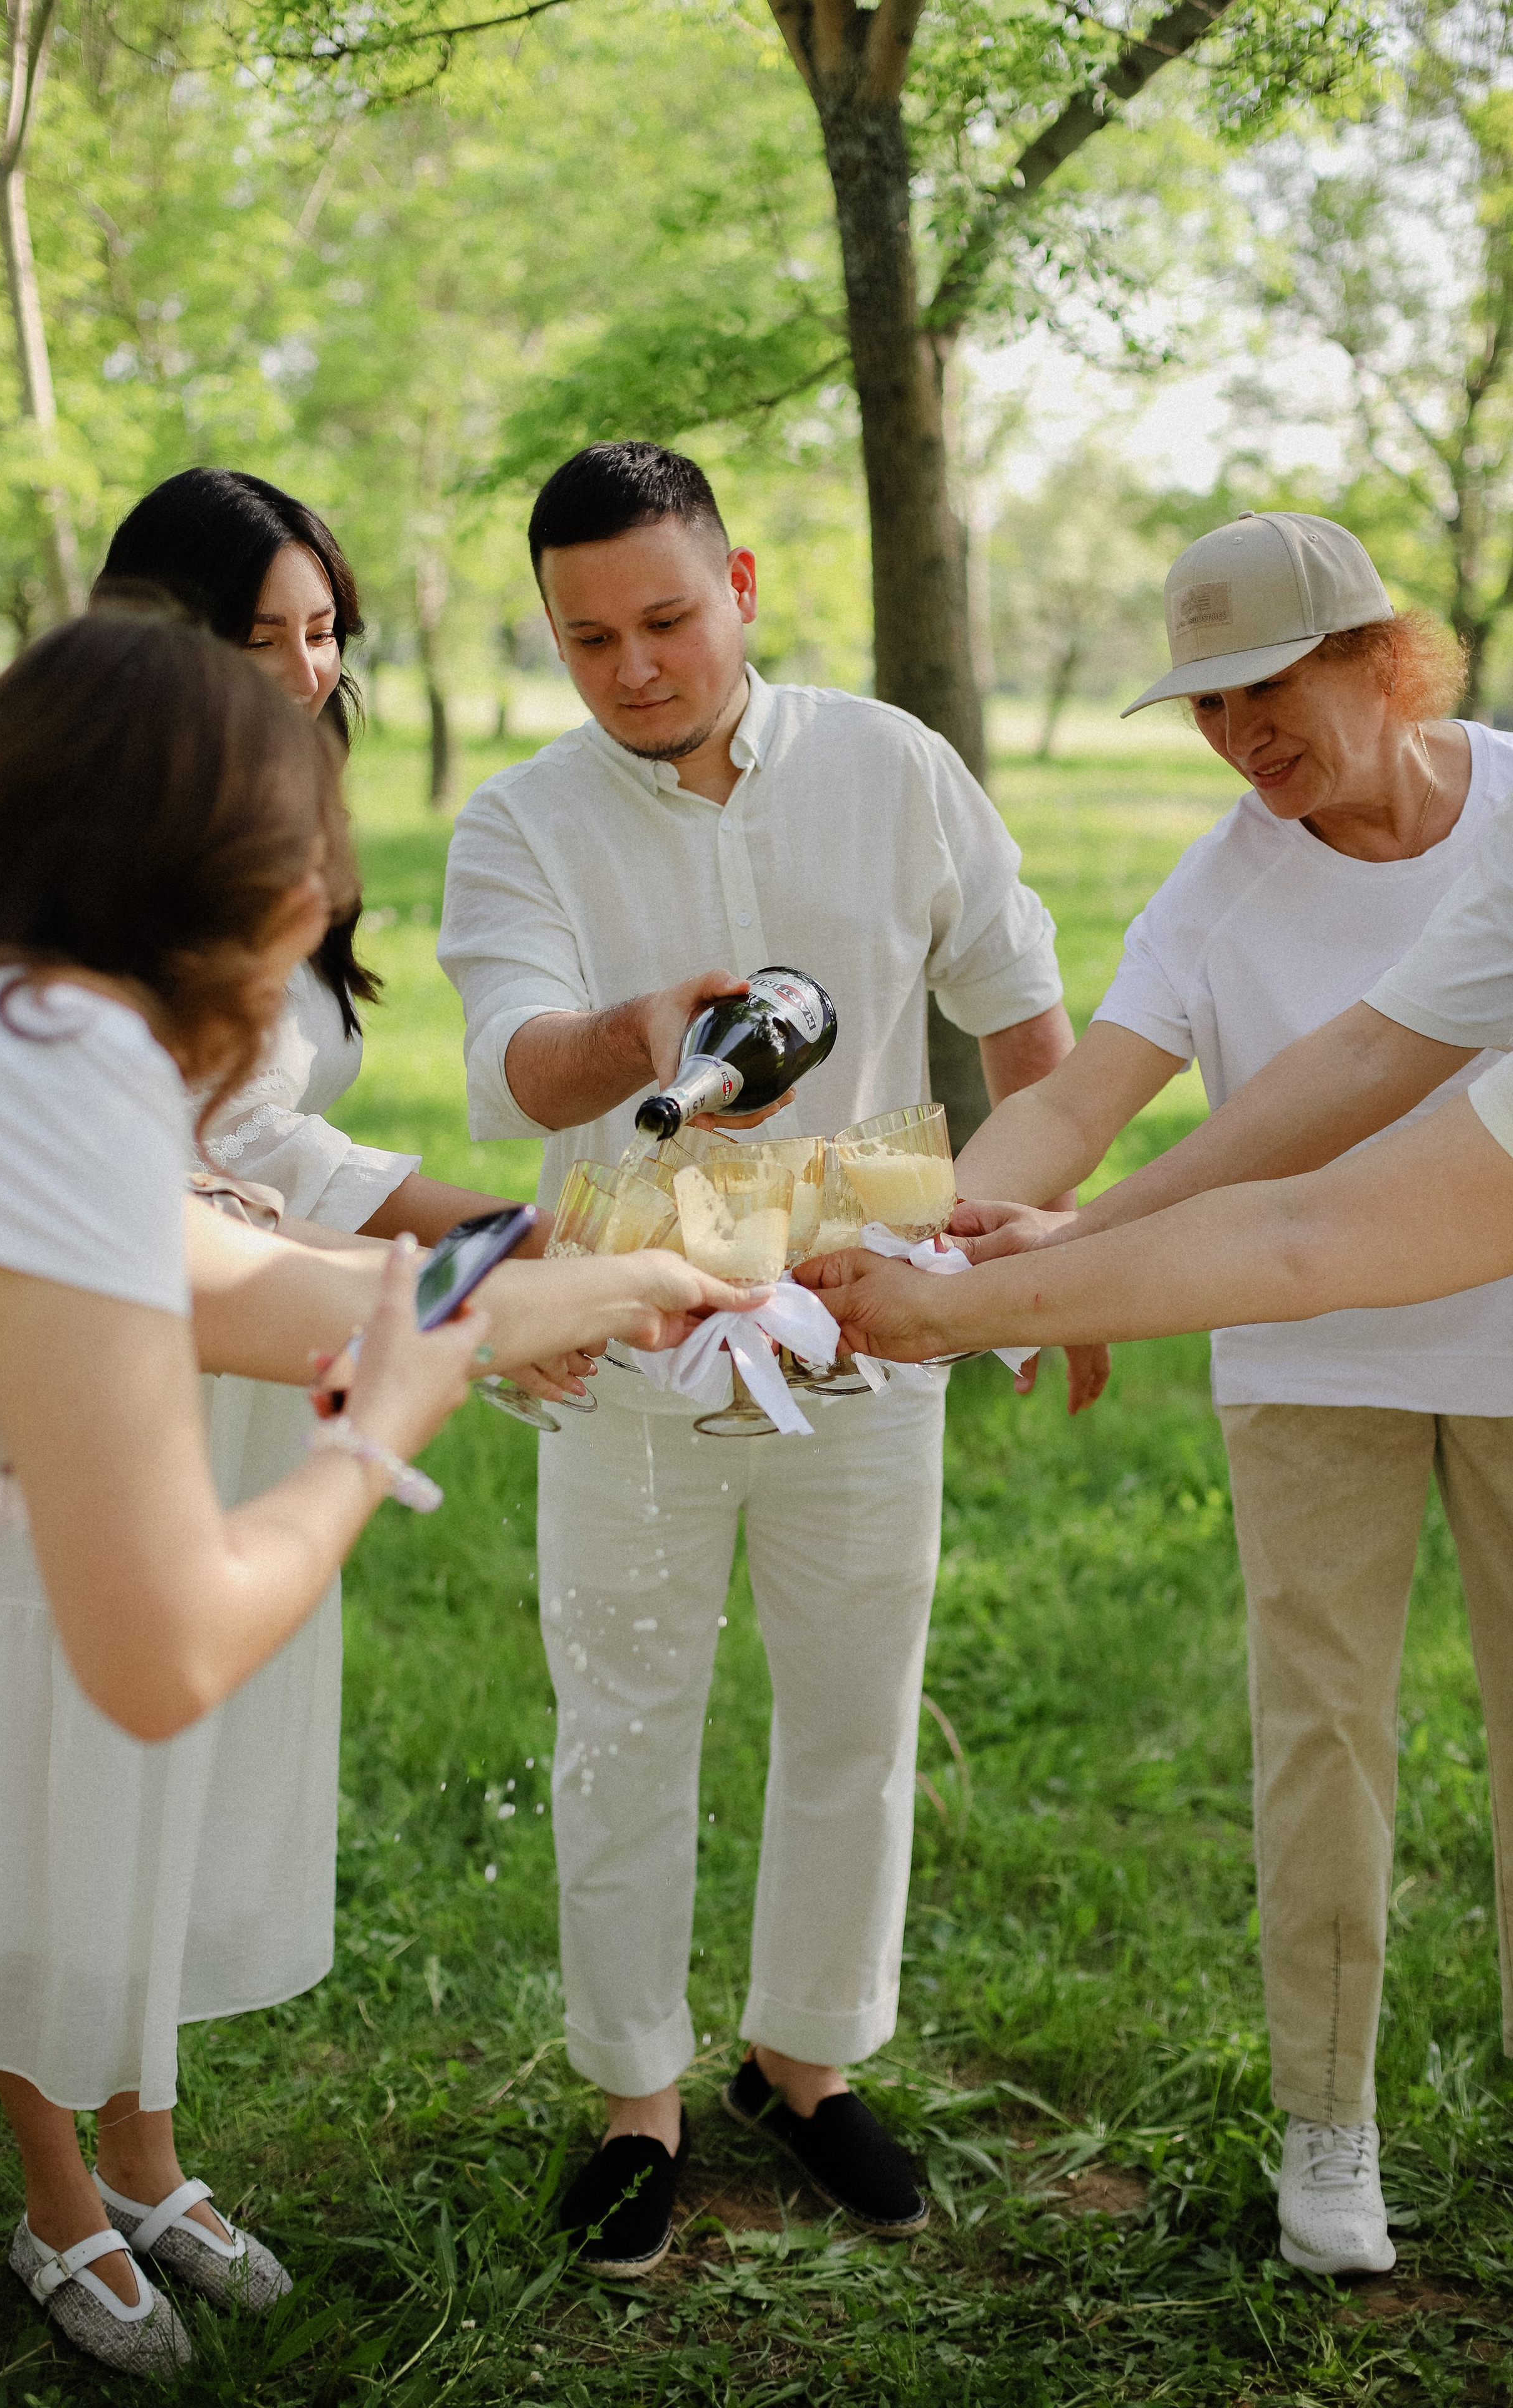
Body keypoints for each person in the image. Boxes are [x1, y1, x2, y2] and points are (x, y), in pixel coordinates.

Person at [0, 613, 741, 2376]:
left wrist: (613, 1284)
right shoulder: (53, 1072)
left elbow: (261, 1294)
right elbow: (163, 1651)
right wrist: (376, 1438)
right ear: (246, 891)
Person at [799, 510, 1513, 2278]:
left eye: (1271, 687)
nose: (1241, 735)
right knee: (1322, 1735)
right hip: (1298, 1341)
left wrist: (1072, 1253)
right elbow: (1083, 1106)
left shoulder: (1511, 823)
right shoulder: (1222, 885)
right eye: (1206, 706)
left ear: (1384, 658)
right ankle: (1327, 2124)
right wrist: (973, 1238)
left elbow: (1356, 1110)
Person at [438, 439, 1097, 2276]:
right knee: (626, 1716)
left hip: (867, 1325)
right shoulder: (521, 819)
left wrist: (1064, 1259)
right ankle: (637, 2101)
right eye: (588, 639)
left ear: (738, 590)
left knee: (854, 1702)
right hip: (633, 1334)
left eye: (664, 618)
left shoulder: (898, 767)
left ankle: (803, 2067)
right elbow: (515, 1063)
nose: (634, 665)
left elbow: (1028, 1019)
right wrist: (644, 1027)